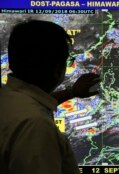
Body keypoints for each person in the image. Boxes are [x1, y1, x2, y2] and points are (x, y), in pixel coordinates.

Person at [0, 20, 100, 174]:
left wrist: (71, 92)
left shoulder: (9, 98)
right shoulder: (36, 125)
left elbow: (33, 100)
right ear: (57, 69)